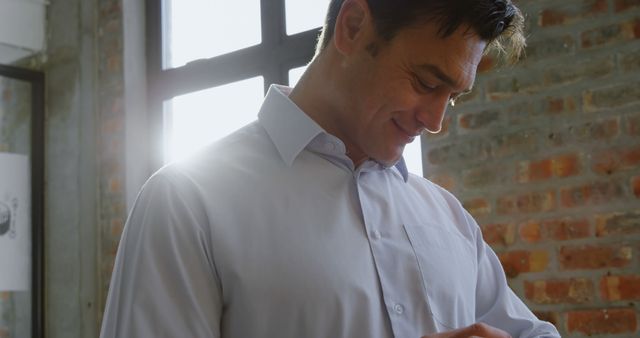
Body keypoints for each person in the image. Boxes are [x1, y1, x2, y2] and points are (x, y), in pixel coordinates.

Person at [101, 0, 561, 337]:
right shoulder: (186, 202)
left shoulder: (450, 219)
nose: (437, 121)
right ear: (354, 26)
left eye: (453, 96)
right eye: (425, 83)